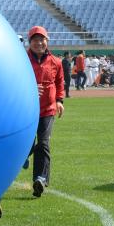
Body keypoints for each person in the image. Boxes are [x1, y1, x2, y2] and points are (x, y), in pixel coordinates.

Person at [23, 26, 66, 200]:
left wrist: (59, 101)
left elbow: (60, 82)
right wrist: (30, 89)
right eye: (35, 40)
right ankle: (23, 154)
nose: (39, 43)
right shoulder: (21, 60)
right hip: (25, 110)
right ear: (30, 42)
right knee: (24, 144)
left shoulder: (56, 62)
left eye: (42, 40)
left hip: (47, 110)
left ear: (47, 41)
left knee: (44, 142)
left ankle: (40, 179)